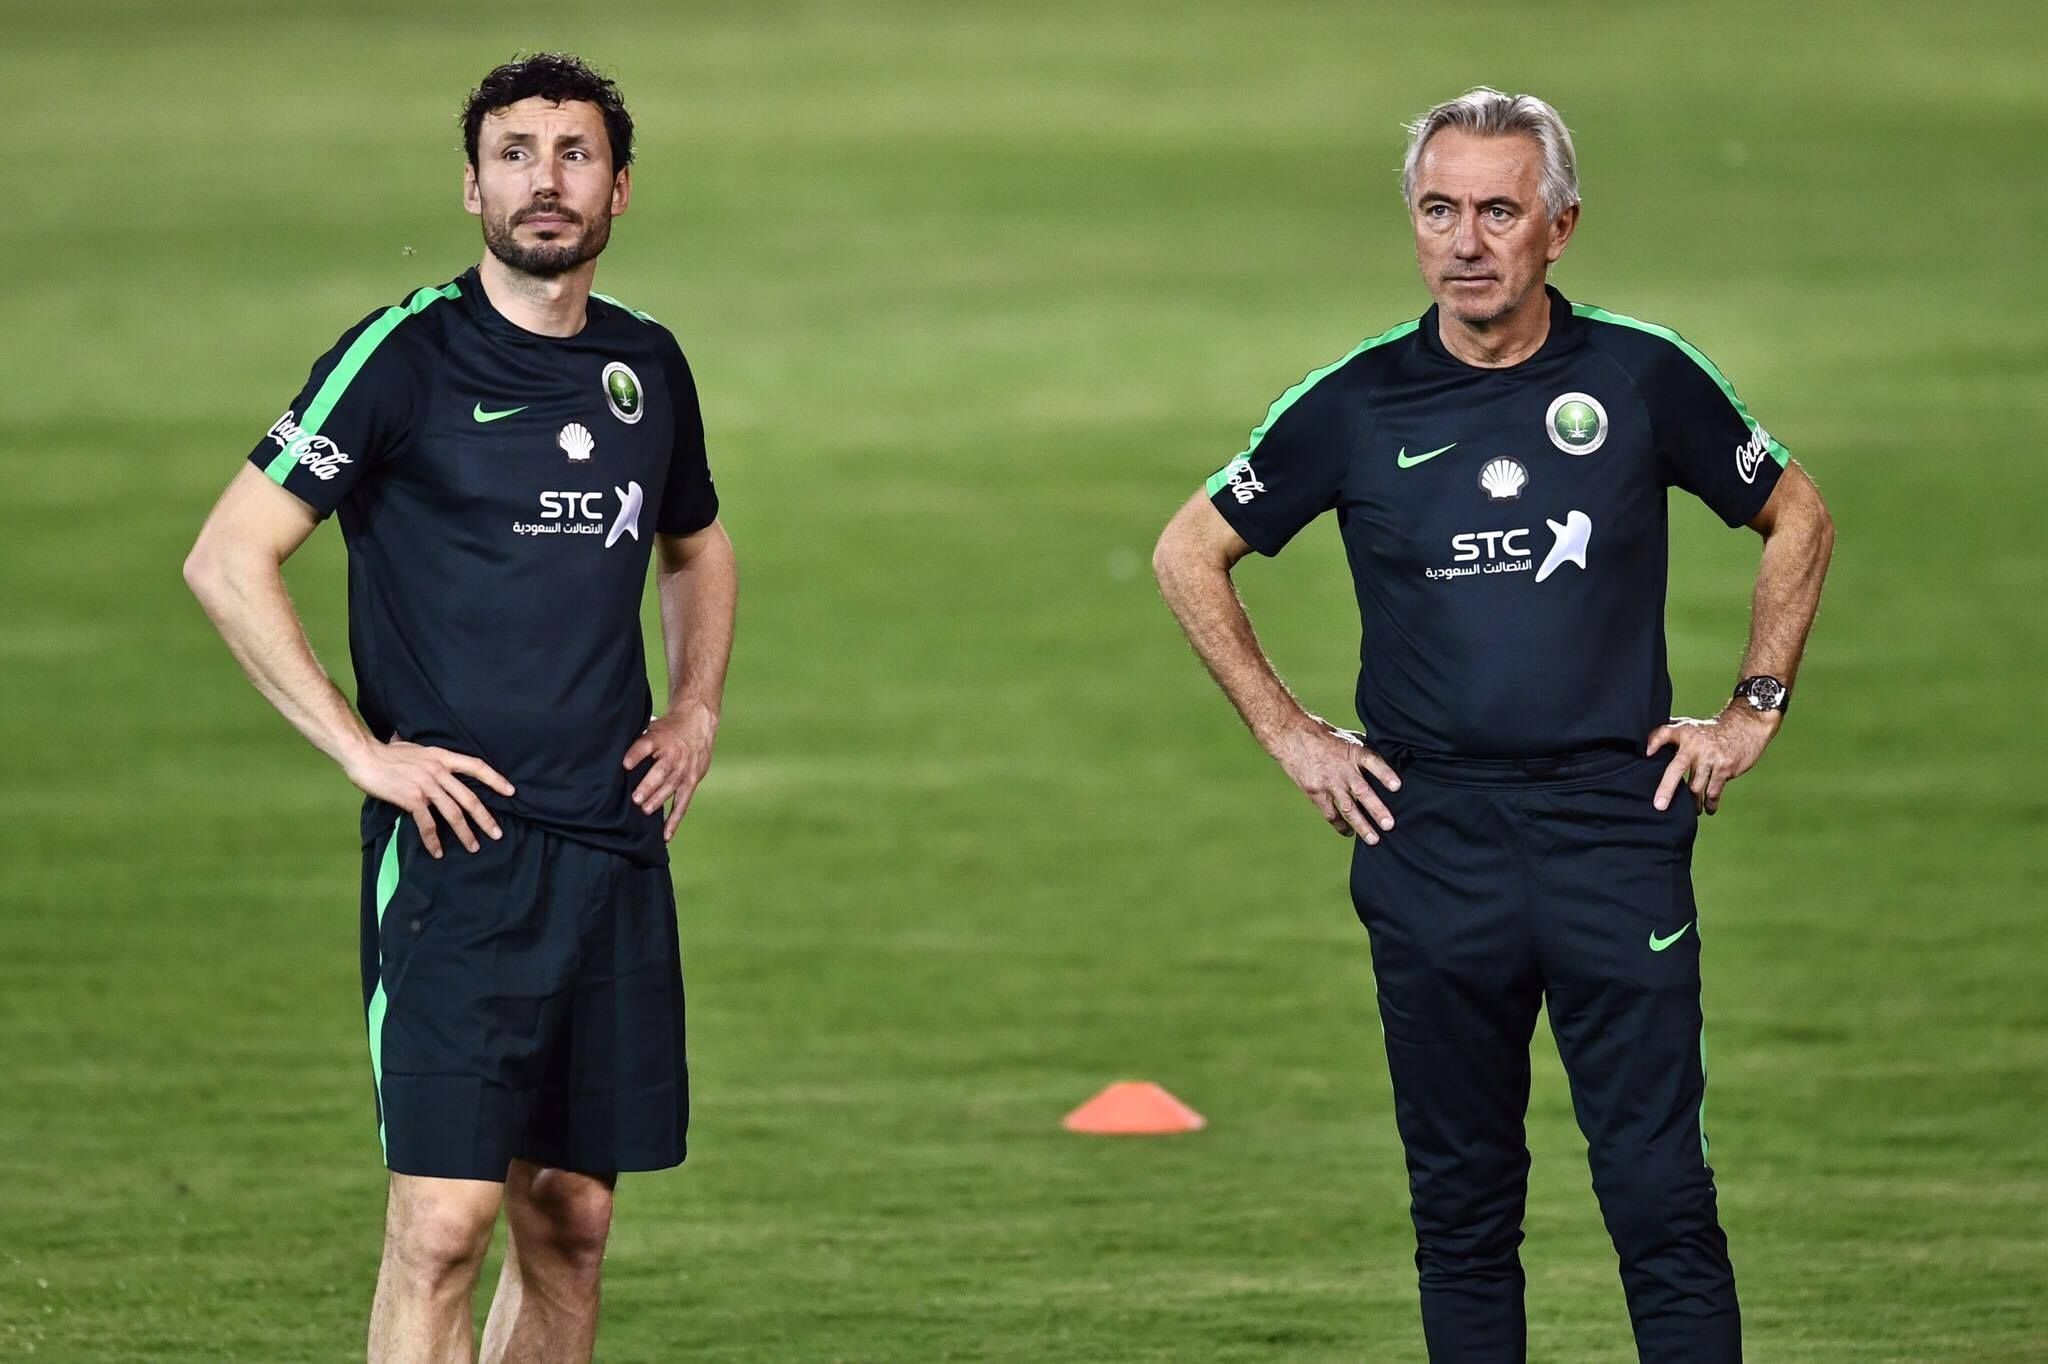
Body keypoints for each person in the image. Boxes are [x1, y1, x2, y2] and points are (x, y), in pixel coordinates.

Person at [1152, 87, 1834, 1362]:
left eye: (1497, 211)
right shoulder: (1354, 403)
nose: (1465, 241)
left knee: (1658, 1199)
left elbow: (1796, 513)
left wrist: (1751, 708)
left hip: (1609, 827)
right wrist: (1293, 732)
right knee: (1461, 1210)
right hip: (1429, 836)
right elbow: (1189, 551)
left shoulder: (1638, 375)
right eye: (1438, 209)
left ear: (1558, 226)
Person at [183, 54, 736, 1363]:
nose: (546, 180)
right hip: (453, 857)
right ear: (471, 183)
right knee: (442, 1225)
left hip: (610, 847)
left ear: (621, 186)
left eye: (576, 153)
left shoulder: (646, 366)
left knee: (573, 1218)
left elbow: (697, 545)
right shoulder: (403, 357)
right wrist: (364, 753)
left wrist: (697, 703)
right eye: (515, 152)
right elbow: (227, 555)